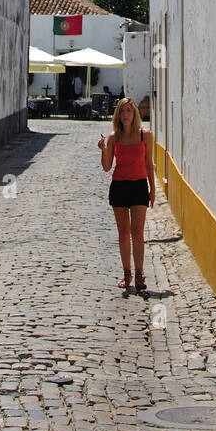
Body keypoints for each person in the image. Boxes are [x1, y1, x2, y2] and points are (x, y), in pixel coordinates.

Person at [98, 97, 155, 293]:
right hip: (119, 187)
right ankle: (127, 274)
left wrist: (152, 189)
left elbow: (149, 163)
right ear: (118, 115)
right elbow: (107, 167)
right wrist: (104, 150)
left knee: (137, 232)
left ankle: (139, 275)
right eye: (122, 111)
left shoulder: (145, 136)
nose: (125, 115)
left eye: (129, 111)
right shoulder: (114, 137)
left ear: (135, 113)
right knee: (123, 233)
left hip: (139, 186)